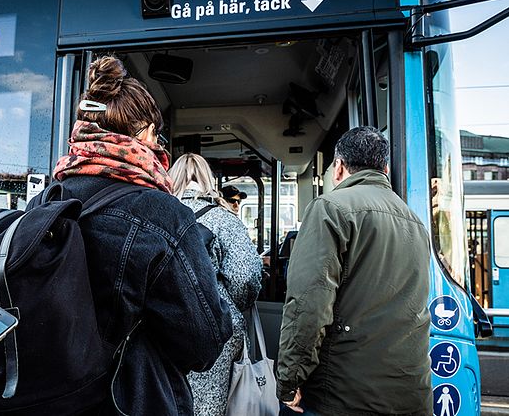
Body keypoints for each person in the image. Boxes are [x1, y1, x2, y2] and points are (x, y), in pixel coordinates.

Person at [51, 56, 232, 415]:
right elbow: (205, 343)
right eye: (157, 136)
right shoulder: (163, 214)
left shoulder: (46, 199)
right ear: (146, 133)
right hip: (130, 401)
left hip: (51, 400)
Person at [276, 126, 431, 416]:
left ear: (339, 168)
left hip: (342, 394)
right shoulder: (414, 221)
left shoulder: (330, 208)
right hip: (410, 394)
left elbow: (309, 304)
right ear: (384, 169)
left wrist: (289, 379)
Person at [169, 153, 262, 416]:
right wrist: (230, 305)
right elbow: (245, 277)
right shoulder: (224, 218)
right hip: (216, 328)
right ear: (208, 180)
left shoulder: (159, 212)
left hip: (164, 325)